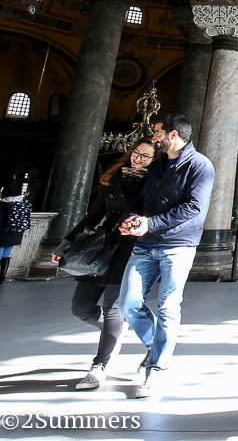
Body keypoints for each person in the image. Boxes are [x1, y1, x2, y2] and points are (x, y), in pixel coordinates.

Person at [118, 114, 215, 398]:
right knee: (128, 303)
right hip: (145, 243)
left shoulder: (200, 166)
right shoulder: (158, 164)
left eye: (157, 133)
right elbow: (141, 200)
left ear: (173, 135)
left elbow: (193, 208)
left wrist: (152, 223)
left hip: (178, 245)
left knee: (168, 307)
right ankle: (156, 344)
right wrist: (132, 218)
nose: (153, 138)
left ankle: (157, 370)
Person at [52, 138, 155, 389]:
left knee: (112, 308)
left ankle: (100, 365)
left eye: (144, 156)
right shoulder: (114, 178)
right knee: (81, 307)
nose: (137, 159)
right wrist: (66, 243)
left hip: (130, 250)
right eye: (135, 153)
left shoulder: (156, 185)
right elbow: (93, 215)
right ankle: (116, 329)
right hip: (101, 247)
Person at [0, 174, 31, 285]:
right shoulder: (23, 205)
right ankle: (2, 277)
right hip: (15, 234)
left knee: (0, 253)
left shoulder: (3, 205)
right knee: (6, 254)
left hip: (2, 234)